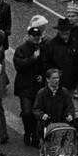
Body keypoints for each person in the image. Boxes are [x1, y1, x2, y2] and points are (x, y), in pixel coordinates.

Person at [13, 16, 50, 146]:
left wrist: (43, 75)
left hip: (37, 86)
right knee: (27, 112)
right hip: (24, 86)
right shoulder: (21, 49)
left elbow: (46, 65)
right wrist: (32, 59)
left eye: (37, 36)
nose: (35, 38)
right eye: (33, 36)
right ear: (29, 36)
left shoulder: (42, 48)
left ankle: (35, 135)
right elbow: (19, 65)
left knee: (36, 113)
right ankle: (28, 132)